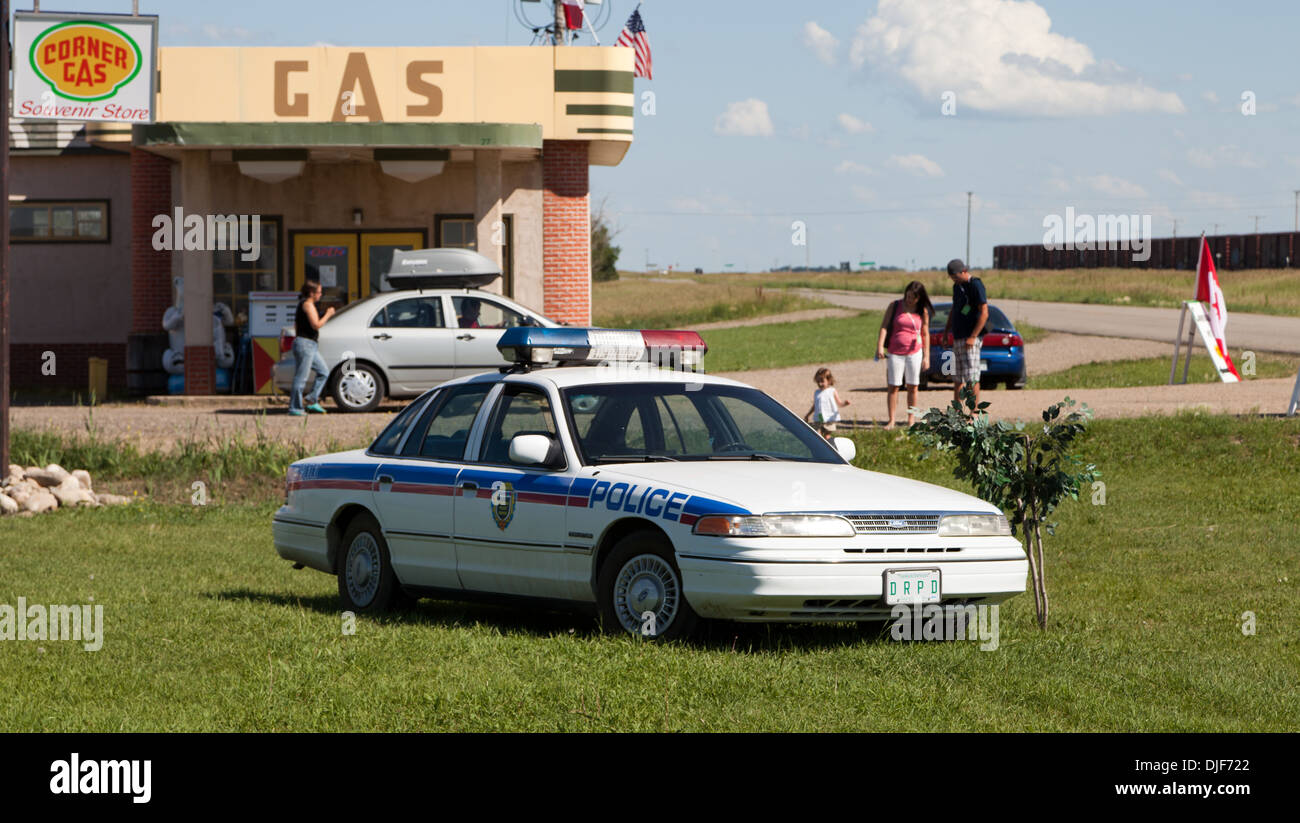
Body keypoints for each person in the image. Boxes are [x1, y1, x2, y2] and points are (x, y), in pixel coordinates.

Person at [876, 281, 932, 429]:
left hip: (915, 353)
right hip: (895, 352)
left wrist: (926, 356)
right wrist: (880, 346)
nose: (909, 300)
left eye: (912, 297)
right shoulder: (895, 306)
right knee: (893, 386)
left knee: (913, 386)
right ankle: (891, 420)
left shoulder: (923, 312)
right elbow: (884, 326)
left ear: (919, 298)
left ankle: (911, 419)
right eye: (907, 296)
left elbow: (925, 334)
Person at [943, 258, 989, 406]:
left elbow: (984, 313)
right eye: (952, 278)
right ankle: (957, 412)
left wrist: (973, 336)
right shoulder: (957, 287)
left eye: (956, 277)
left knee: (972, 377)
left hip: (970, 338)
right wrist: (946, 332)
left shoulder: (976, 284)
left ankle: (973, 412)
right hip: (958, 336)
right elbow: (954, 309)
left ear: (964, 271)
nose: (954, 280)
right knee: (957, 377)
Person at [290, 280, 335, 416]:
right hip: (306, 344)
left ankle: (312, 399)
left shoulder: (303, 305)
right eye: (319, 292)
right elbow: (316, 324)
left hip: (309, 344)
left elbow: (296, 325)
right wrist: (328, 314)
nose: (320, 295)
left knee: (324, 372)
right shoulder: (308, 305)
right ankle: (295, 408)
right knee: (301, 377)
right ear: (311, 293)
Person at [804, 367, 850, 439]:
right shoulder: (817, 392)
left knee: (827, 436)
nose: (820, 383)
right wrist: (808, 415)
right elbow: (815, 405)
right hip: (819, 417)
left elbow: (839, 403)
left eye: (822, 381)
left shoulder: (832, 391)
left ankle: (828, 447)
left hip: (829, 418)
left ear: (829, 380)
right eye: (818, 381)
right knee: (817, 435)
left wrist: (845, 403)